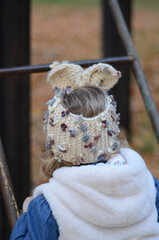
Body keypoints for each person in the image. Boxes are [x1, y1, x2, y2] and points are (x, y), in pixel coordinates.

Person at [10, 61, 159, 240]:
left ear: (56, 142)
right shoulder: (146, 183)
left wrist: (27, 216)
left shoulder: (50, 206)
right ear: (111, 131)